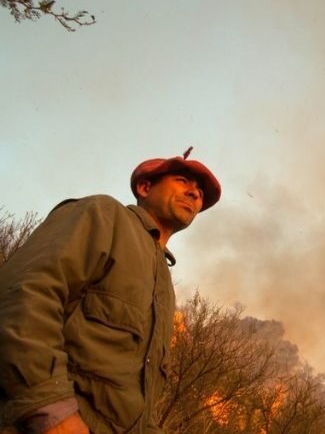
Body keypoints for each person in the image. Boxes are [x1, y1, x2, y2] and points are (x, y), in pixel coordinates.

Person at [0, 148, 221, 434]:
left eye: (200, 192)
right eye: (182, 181)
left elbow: (141, 399)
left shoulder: (164, 283)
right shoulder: (104, 215)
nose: (194, 194)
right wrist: (52, 412)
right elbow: (25, 295)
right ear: (145, 187)